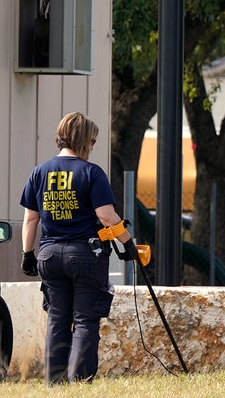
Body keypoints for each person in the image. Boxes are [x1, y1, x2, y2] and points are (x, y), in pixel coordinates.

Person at [18, 112, 139, 383]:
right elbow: (107, 216)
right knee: (85, 319)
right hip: (85, 254)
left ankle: (55, 382)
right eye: (92, 141)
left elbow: (31, 218)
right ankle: (80, 381)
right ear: (83, 141)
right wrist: (128, 243)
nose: (93, 147)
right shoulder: (91, 172)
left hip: (49, 255)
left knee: (57, 319)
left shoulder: (40, 171)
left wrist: (27, 254)